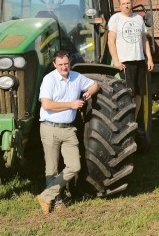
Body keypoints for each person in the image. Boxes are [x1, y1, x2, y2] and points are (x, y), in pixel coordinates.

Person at [36, 49, 99, 215]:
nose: (64, 67)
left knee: (74, 165)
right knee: (52, 168)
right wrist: (70, 104)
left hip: (69, 129)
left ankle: (46, 195)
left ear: (69, 63)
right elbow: (47, 105)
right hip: (50, 128)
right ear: (54, 65)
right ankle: (56, 202)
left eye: (66, 64)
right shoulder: (49, 80)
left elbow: (95, 85)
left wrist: (88, 92)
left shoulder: (76, 77)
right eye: (61, 64)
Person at [107, 0, 154, 118]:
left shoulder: (138, 18)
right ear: (120, 5)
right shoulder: (115, 19)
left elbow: (145, 40)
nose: (126, 6)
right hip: (125, 62)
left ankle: (133, 119)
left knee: (139, 94)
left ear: (132, 3)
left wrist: (149, 58)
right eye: (123, 4)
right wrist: (116, 61)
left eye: (128, 3)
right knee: (129, 94)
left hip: (139, 60)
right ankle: (128, 120)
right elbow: (111, 41)